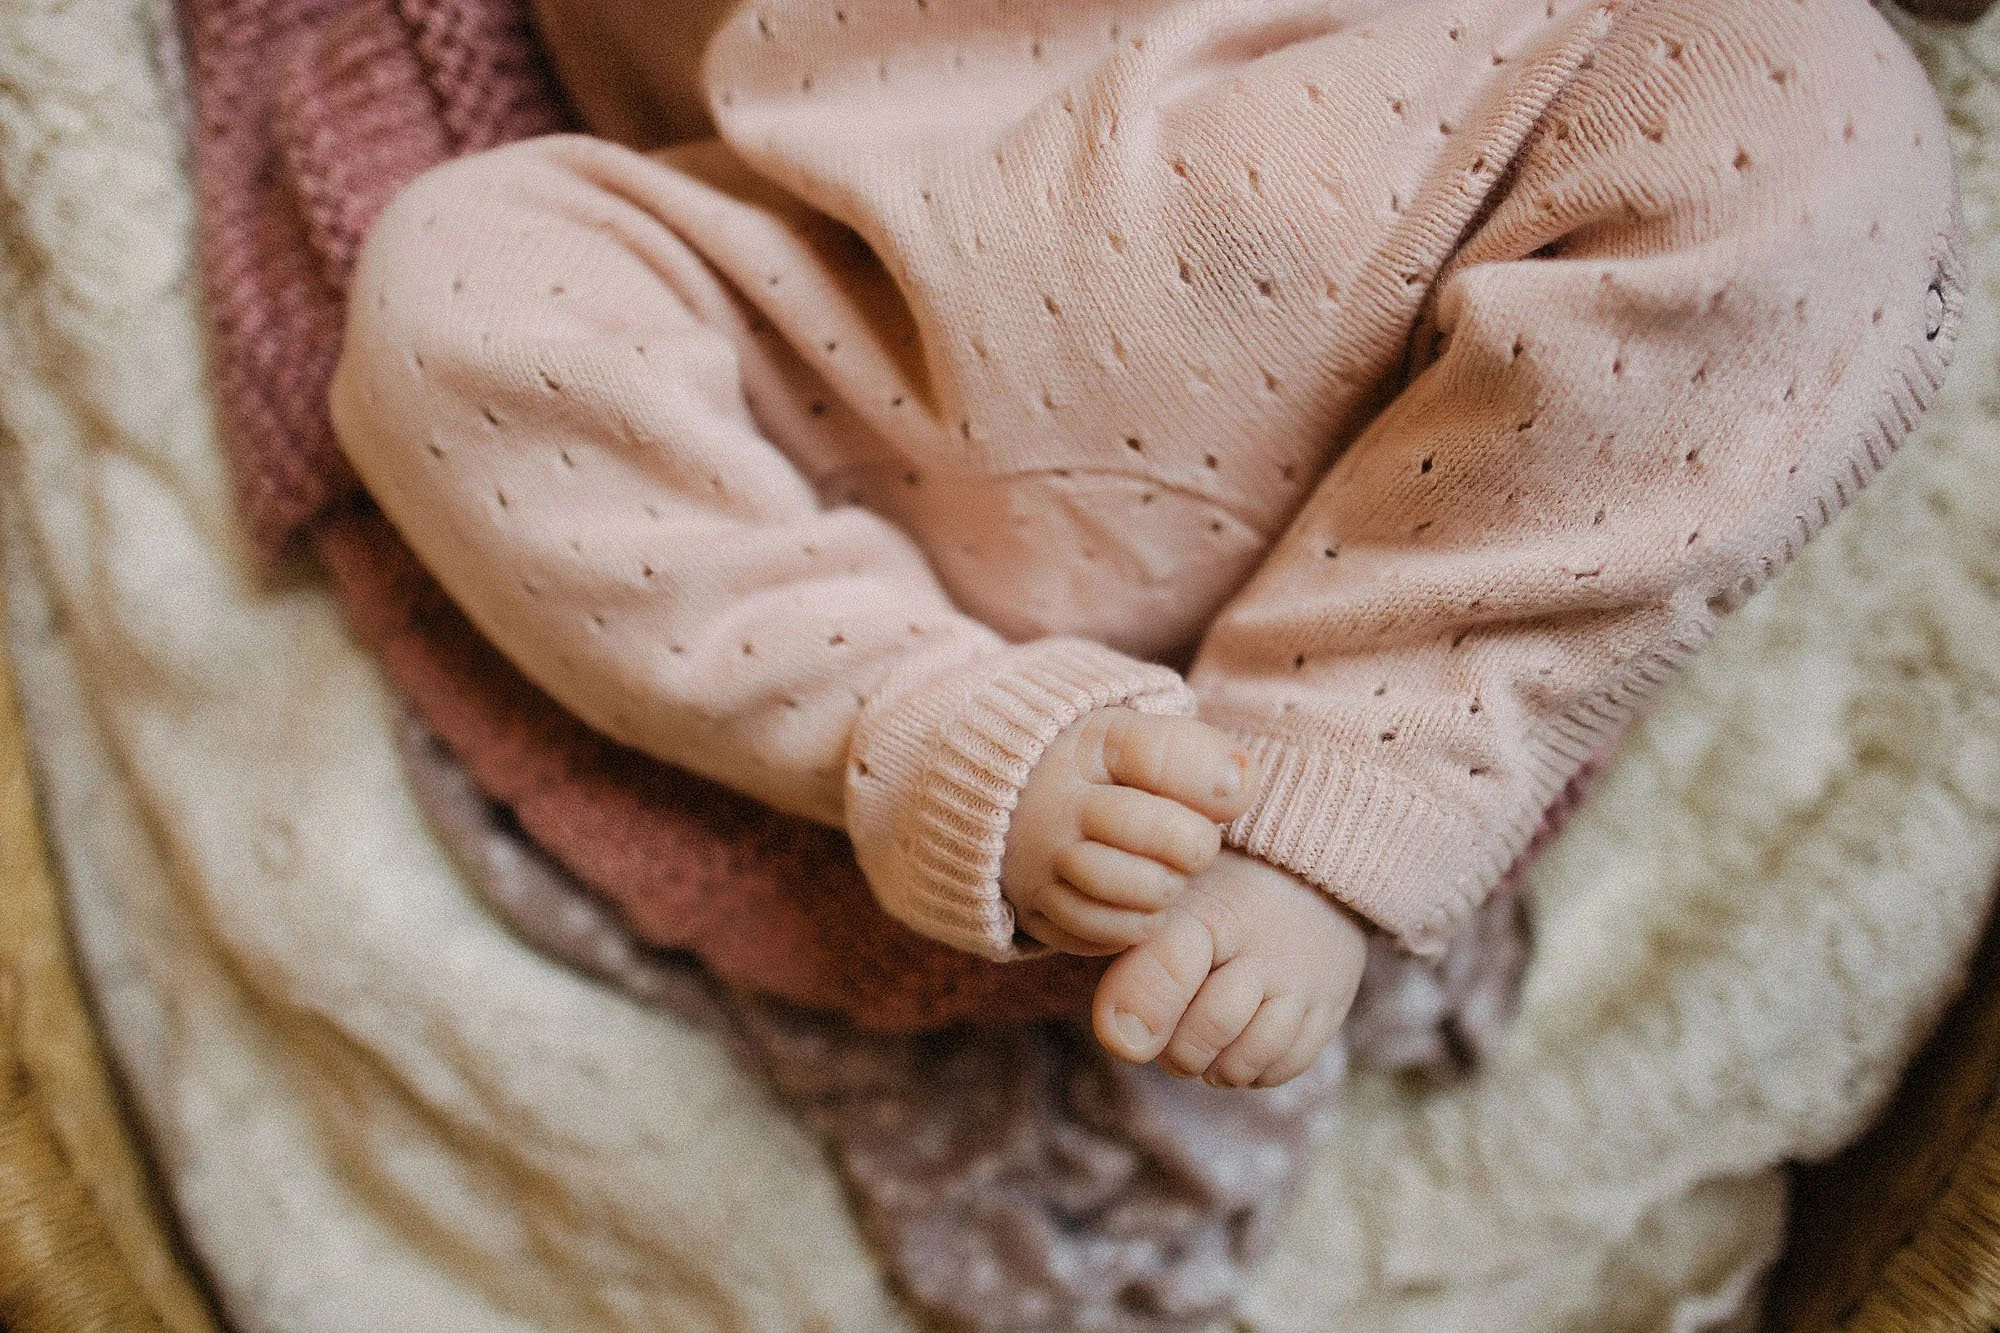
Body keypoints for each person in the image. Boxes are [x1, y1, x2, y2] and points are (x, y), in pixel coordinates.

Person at [329, 0, 1963, 1088]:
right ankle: (920, 717)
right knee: (455, 285)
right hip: (835, 271)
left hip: (1423, 189)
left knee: (1816, 120)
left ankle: (1343, 769)